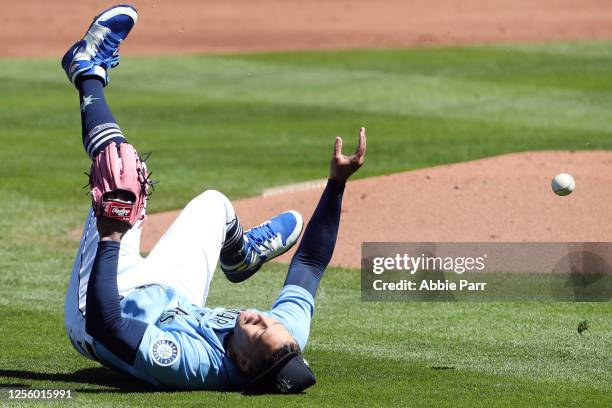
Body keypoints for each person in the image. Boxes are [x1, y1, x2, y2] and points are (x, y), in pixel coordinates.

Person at [63, 5, 366, 394]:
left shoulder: (192, 363)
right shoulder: (282, 338)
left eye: (258, 332)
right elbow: (308, 264)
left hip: (103, 306)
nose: (259, 318)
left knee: (123, 171)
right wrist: (337, 184)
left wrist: (112, 235)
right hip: (172, 295)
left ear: (239, 362)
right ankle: (240, 257)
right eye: (271, 324)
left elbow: (108, 325)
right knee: (214, 203)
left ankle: (87, 70)